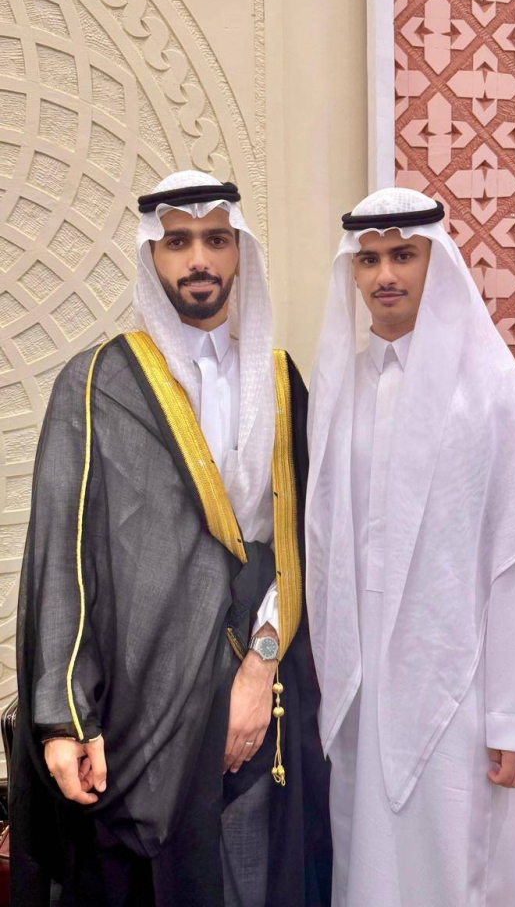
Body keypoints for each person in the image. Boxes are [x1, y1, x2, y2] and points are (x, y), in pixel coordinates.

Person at [11, 171, 331, 907]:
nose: (199, 260)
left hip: (262, 689)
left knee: (252, 879)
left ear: (240, 253)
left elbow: (305, 545)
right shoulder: (100, 382)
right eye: (178, 242)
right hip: (140, 698)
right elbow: (63, 558)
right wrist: (62, 719)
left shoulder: (280, 381)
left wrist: (258, 672)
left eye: (217, 240)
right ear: (152, 256)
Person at [305, 187, 515, 907]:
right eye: (369, 259)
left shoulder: (487, 389)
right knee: (365, 853)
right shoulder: (341, 388)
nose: (385, 274)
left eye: (403, 255)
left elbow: (512, 562)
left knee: (453, 858)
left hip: (460, 681)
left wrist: (513, 717)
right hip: (361, 677)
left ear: (436, 262)